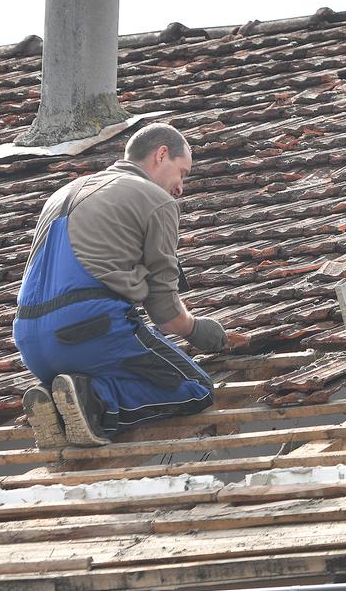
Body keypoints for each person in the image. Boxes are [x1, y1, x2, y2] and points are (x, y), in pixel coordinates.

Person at [14, 122, 229, 448]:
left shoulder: (61, 194)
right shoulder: (156, 200)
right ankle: (94, 400)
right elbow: (165, 314)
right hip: (92, 330)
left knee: (111, 372)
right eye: (183, 174)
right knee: (195, 388)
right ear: (161, 155)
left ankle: (58, 402)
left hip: (30, 342)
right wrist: (198, 330)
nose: (181, 188)